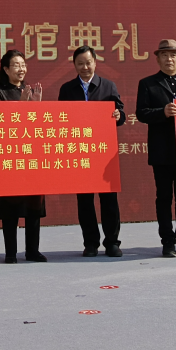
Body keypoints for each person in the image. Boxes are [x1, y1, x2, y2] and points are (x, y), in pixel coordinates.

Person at [57, 45, 127, 257]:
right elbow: (61, 118)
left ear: (95, 62)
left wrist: (118, 115)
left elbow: (121, 114)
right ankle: (90, 243)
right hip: (80, 151)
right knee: (85, 200)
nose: (85, 67)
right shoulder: (67, 89)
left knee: (109, 200)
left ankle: (112, 242)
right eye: (80, 63)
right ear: (74, 65)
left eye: (88, 62)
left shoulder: (108, 86)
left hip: (104, 152)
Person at [136, 39, 176, 258]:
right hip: (162, 151)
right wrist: (162, 112)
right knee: (163, 197)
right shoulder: (148, 84)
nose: (169, 59)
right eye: (164, 55)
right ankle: (167, 242)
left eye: (173, 55)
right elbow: (142, 113)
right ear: (157, 59)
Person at [0, 49, 47, 264]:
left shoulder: (30, 91)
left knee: (33, 205)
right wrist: (22, 106)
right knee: (10, 207)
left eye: (23, 65)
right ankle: (11, 252)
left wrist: (36, 107)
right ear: (6, 69)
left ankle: (32, 250)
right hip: (9, 157)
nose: (21, 69)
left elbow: (38, 127)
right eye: (16, 65)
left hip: (31, 155)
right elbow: (1, 125)